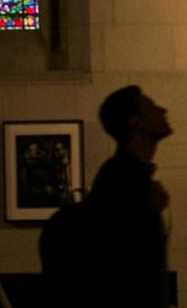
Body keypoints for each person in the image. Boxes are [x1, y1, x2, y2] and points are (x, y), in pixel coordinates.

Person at [40, 85, 174, 307]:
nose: (163, 110)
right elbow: (129, 267)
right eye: (151, 107)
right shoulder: (124, 181)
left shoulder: (128, 177)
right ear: (135, 121)